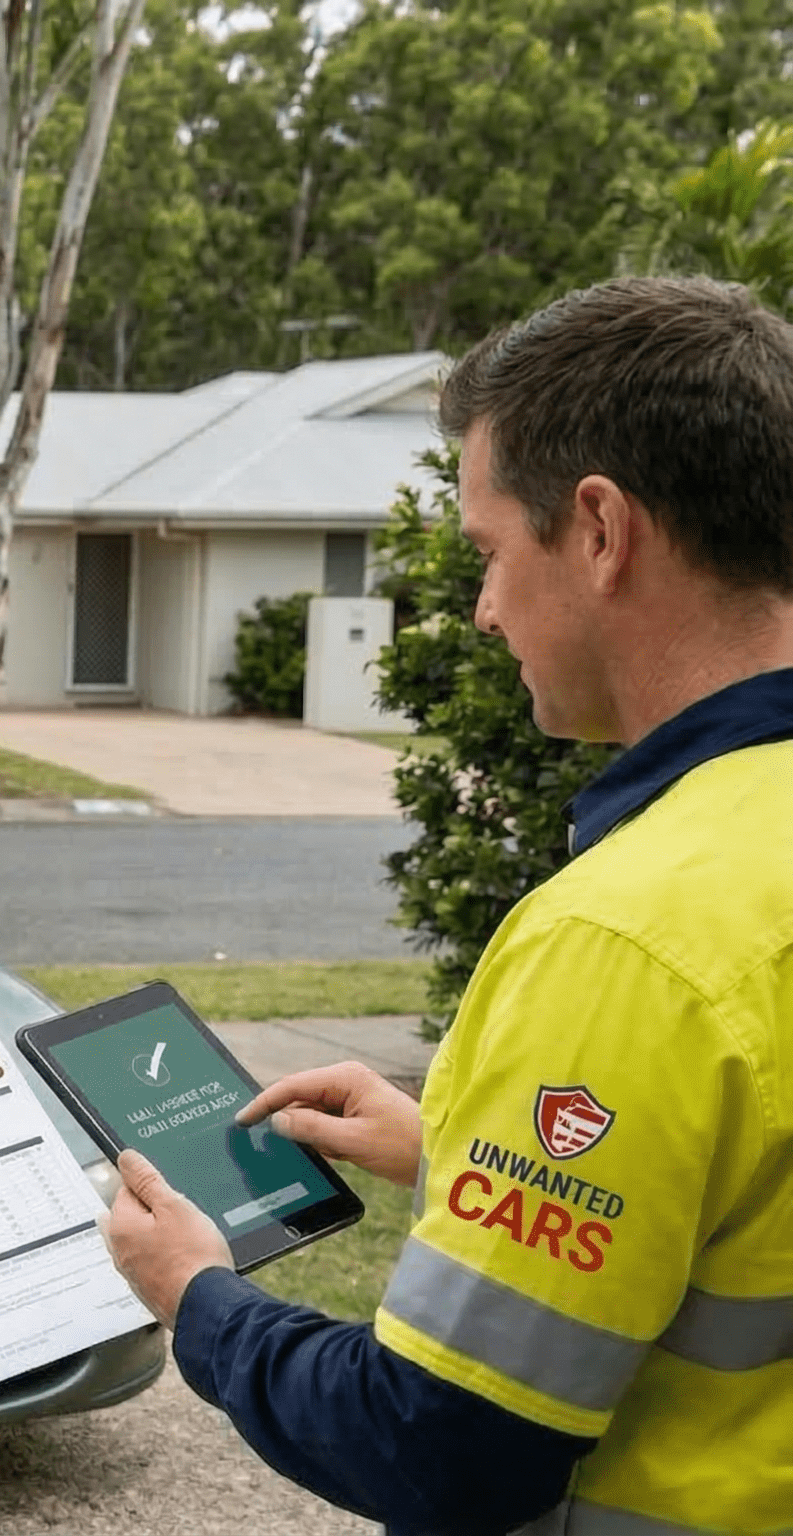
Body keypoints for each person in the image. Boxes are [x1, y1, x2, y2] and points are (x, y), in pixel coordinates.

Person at [104, 276, 793, 1534]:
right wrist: (461, 1156)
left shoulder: (628, 937)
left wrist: (198, 1298)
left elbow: (443, 1449)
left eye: (486, 551)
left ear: (597, 530)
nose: (480, 608)